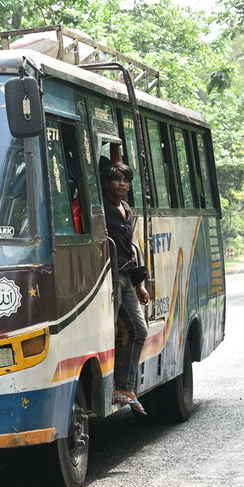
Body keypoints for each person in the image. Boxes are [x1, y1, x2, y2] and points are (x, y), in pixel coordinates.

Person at [103, 161, 150, 416]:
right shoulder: (100, 208)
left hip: (126, 276)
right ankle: (116, 386)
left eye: (125, 180)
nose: (121, 184)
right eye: (116, 179)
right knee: (109, 332)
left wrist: (139, 283)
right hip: (108, 278)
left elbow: (129, 249)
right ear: (107, 182)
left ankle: (125, 387)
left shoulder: (127, 210)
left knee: (139, 330)